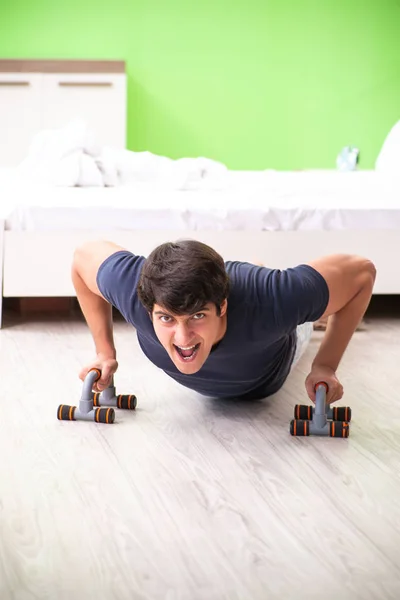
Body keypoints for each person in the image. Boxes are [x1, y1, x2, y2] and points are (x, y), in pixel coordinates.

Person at [71, 238, 376, 404]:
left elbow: (362, 273)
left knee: (306, 316)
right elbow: (82, 257)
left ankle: (311, 316)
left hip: (269, 368)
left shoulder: (274, 298)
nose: (183, 337)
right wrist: (104, 353)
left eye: (197, 316)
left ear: (223, 306)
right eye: (166, 318)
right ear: (149, 307)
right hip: (240, 293)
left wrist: (325, 366)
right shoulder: (135, 289)